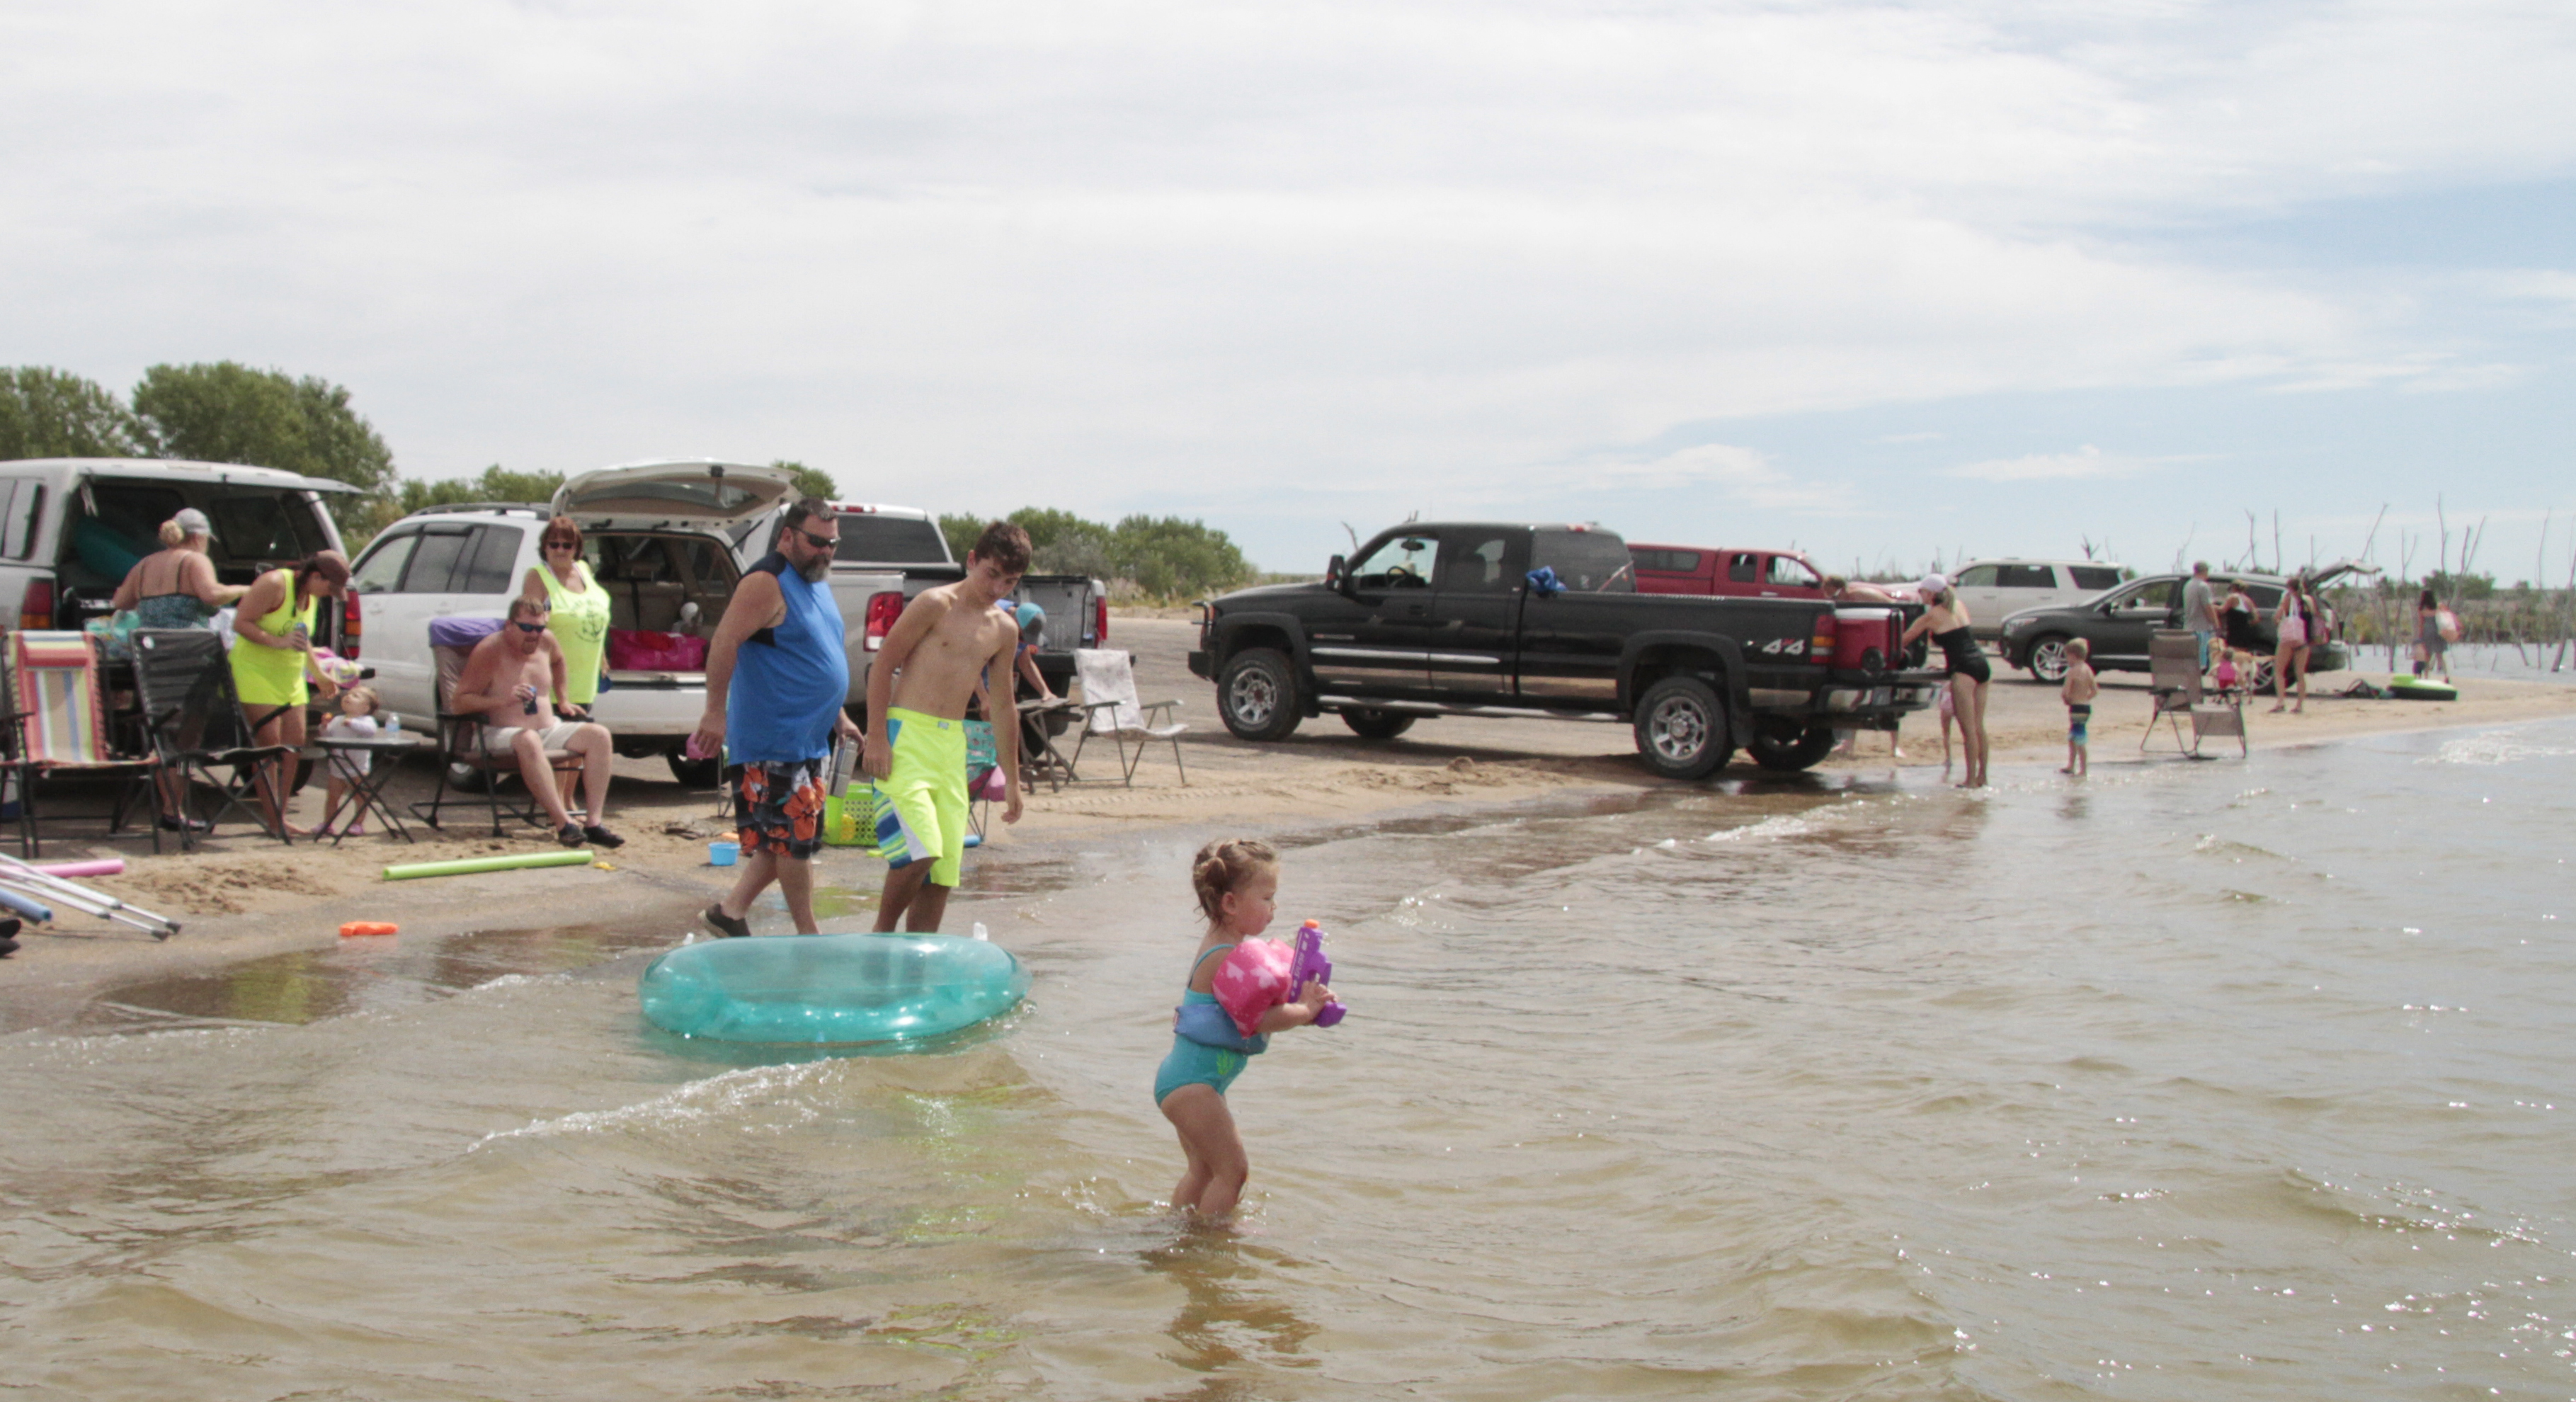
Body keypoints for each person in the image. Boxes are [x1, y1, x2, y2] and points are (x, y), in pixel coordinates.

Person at [693, 498, 864, 937]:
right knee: (795, 846)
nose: (825, 551)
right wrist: (714, 712)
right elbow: (725, 642)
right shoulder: (766, 582)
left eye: (833, 543)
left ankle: (729, 914)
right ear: (787, 536)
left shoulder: (816, 581)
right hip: (773, 739)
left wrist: (838, 716)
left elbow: (814, 656)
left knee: (786, 838)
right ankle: (811, 937)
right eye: (816, 542)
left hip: (808, 740)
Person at [859, 520, 1030, 934]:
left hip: (951, 746)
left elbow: (1005, 705)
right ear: (972, 561)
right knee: (922, 852)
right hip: (906, 737)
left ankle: (919, 962)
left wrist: (1012, 778)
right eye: (991, 574)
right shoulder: (936, 603)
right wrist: (877, 736)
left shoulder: (1005, 629)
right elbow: (883, 664)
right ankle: (880, 938)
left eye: (1009, 582)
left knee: (943, 870)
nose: (996, 588)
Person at [1156, 838, 1334, 1223]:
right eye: (1267, 898)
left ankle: (1177, 1230)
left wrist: (1304, 993)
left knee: (1204, 1171)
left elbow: (1259, 1003)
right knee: (1233, 1173)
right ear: (1231, 904)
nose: (1274, 907)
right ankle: (1207, 1245)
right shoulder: (1225, 956)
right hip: (1193, 1088)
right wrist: (1304, 1009)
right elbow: (1257, 1020)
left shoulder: (1229, 949)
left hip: (1187, 1083)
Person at [109, 508, 249, 831]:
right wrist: (243, 589)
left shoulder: (145, 564)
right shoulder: (195, 560)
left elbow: (120, 602)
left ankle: (171, 809)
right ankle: (174, 809)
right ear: (199, 537)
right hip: (190, 656)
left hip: (153, 658)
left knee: (163, 732)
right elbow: (212, 595)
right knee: (188, 735)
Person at [452, 596, 624, 848]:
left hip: (546, 727)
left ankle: (594, 823)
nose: (534, 635)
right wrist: (502, 699)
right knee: (528, 739)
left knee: (599, 735)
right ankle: (563, 823)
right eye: (527, 628)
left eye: (539, 627)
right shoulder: (490, 649)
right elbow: (459, 702)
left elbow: (559, 661)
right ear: (510, 625)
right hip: (498, 733)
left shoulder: (546, 642)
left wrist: (564, 700)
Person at [229, 551, 348, 836]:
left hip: (290, 676)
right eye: (328, 588)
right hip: (255, 671)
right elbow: (240, 622)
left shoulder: (311, 595)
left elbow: (301, 636)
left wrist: (318, 672)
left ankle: (280, 816)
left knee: (295, 745)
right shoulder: (273, 583)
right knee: (269, 747)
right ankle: (273, 820)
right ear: (315, 576)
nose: (329, 595)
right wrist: (277, 642)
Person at [1902, 573, 1989, 787]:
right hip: (1981, 664)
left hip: (1964, 670)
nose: (1918, 594)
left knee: (1967, 729)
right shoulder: (1959, 605)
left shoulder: (1931, 616)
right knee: (1979, 727)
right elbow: (1960, 639)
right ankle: (1982, 777)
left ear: (1930, 593)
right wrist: (1946, 666)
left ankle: (1969, 780)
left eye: (1921, 591)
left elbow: (1903, 640)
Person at [317, 685, 383, 838]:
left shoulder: (367, 721)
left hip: (358, 767)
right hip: (338, 766)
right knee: (332, 797)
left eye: (355, 696)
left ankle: (358, 823)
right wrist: (324, 726)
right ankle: (328, 823)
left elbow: (370, 731)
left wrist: (352, 723)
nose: (348, 697)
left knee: (360, 797)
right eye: (348, 695)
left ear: (365, 708)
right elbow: (327, 735)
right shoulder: (338, 719)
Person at [2267, 576, 2314, 713]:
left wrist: (2278, 622)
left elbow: (2278, 616)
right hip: (2303, 639)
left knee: (2279, 671)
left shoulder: (2287, 598)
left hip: (2288, 639)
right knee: (2300, 673)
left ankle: (2281, 702)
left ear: (2289, 587)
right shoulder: (2309, 600)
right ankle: (2300, 705)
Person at [2060, 638, 2097, 776]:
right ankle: (2071, 765)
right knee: (2073, 736)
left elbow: (2065, 692)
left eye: (2067, 657)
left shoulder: (2072, 671)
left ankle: (2083, 770)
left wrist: (2068, 700)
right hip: (2086, 708)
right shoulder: (2088, 670)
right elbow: (2095, 691)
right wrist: (2085, 698)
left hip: (2076, 708)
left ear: (2073, 656)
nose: (2067, 660)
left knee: (2079, 738)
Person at [2182, 562, 2221, 671]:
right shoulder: (2203, 587)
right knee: (2200, 660)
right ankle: (2197, 683)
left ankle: (2190, 683)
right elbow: (2208, 607)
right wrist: (2216, 623)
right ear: (2204, 571)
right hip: (2202, 628)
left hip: (2189, 627)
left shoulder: (2188, 585)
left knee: (2191, 659)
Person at [2220, 578, 2260, 677]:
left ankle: (2229, 680)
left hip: (2234, 631)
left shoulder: (2233, 597)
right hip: (2245, 631)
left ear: (2233, 587)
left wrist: (2211, 607)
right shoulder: (2248, 600)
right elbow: (2256, 618)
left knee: (2231, 658)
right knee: (2241, 659)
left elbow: (2222, 610)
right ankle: (2241, 681)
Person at [2413, 587, 2453, 682]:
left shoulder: (2422, 609)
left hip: (2428, 632)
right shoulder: (2437, 607)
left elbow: (2421, 624)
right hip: (2438, 632)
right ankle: (2446, 676)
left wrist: (2420, 636)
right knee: (2440, 656)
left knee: (2427, 656)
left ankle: (2426, 676)